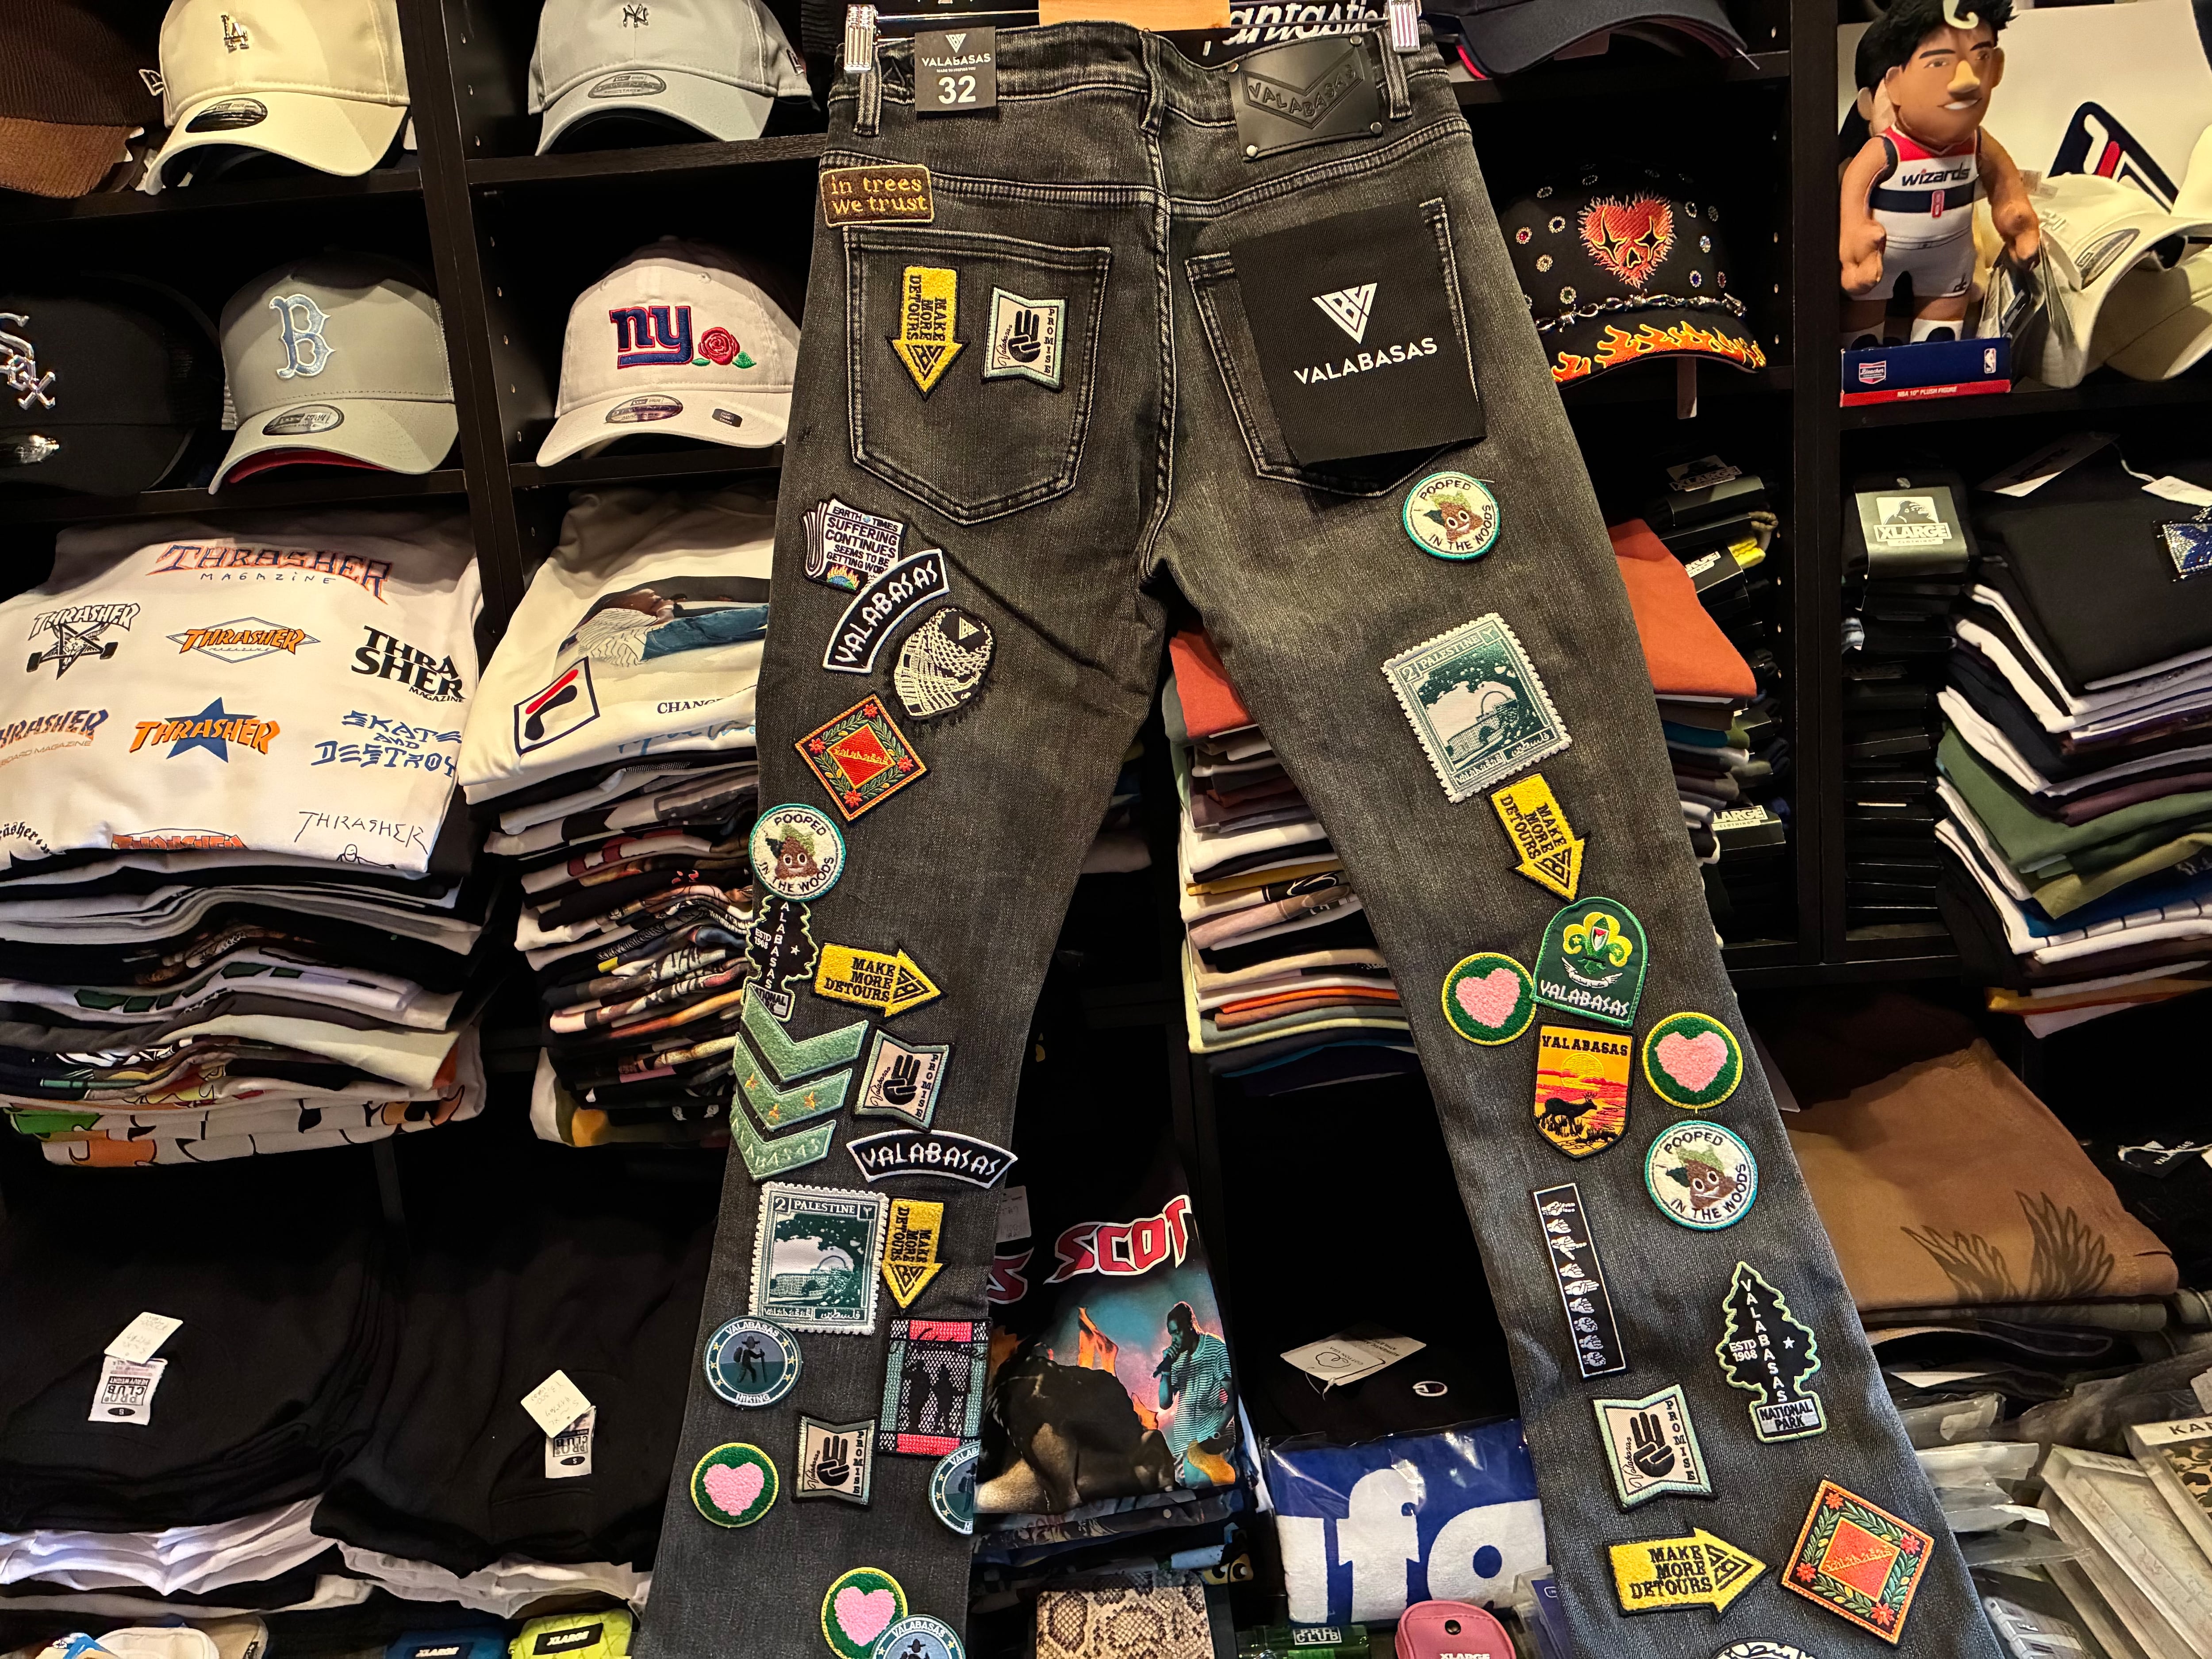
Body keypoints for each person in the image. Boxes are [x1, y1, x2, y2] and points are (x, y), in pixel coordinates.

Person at [1839, 0, 2040, 347]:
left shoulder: (1977, 142)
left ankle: (1935, 353)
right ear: (1895, 84)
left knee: (1942, 332)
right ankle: (1865, 353)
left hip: (1950, 258)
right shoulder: (1888, 148)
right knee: (1865, 331)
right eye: (1939, 64)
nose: (1965, 81)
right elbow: (1855, 187)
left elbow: (2003, 180)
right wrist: (1857, 242)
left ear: (1996, 69)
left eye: (1980, 58)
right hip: (1884, 254)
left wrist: (2016, 216)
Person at [1153, 1301, 1235, 1485]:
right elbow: (1165, 1403)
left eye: (1177, 1332)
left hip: (1210, 1435)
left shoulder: (1216, 1348)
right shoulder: (1177, 1358)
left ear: (1190, 1326)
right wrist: (1167, 1371)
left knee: (1213, 1488)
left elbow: (1233, 1397)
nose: (1174, 1339)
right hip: (1185, 1444)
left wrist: (1217, 1433)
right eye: (1171, 1334)